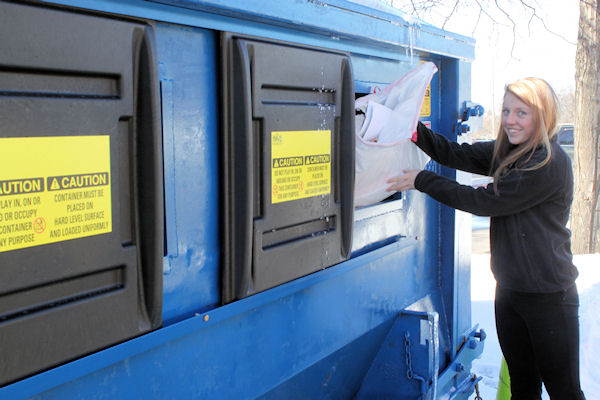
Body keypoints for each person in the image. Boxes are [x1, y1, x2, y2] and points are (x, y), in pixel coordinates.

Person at [386, 77, 585, 400]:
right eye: (506, 111)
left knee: (564, 391)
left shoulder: (547, 162)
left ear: (542, 115)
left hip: (550, 298)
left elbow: (486, 201)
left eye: (522, 113)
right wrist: (412, 131)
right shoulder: (509, 152)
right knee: (522, 385)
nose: (509, 120)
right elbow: (456, 154)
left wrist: (422, 179)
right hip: (510, 293)